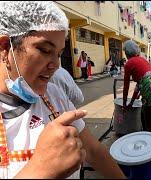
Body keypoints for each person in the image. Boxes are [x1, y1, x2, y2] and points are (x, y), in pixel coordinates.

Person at [0, 1, 125, 179]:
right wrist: (40, 170)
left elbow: (93, 150)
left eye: (58, 54)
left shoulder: (54, 94)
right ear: (5, 47)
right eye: (45, 50)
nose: (56, 65)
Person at [122, 40, 151, 134]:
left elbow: (126, 86)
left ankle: (150, 136)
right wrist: (131, 102)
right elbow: (139, 85)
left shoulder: (129, 64)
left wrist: (124, 104)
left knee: (146, 116)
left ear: (126, 53)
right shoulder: (143, 60)